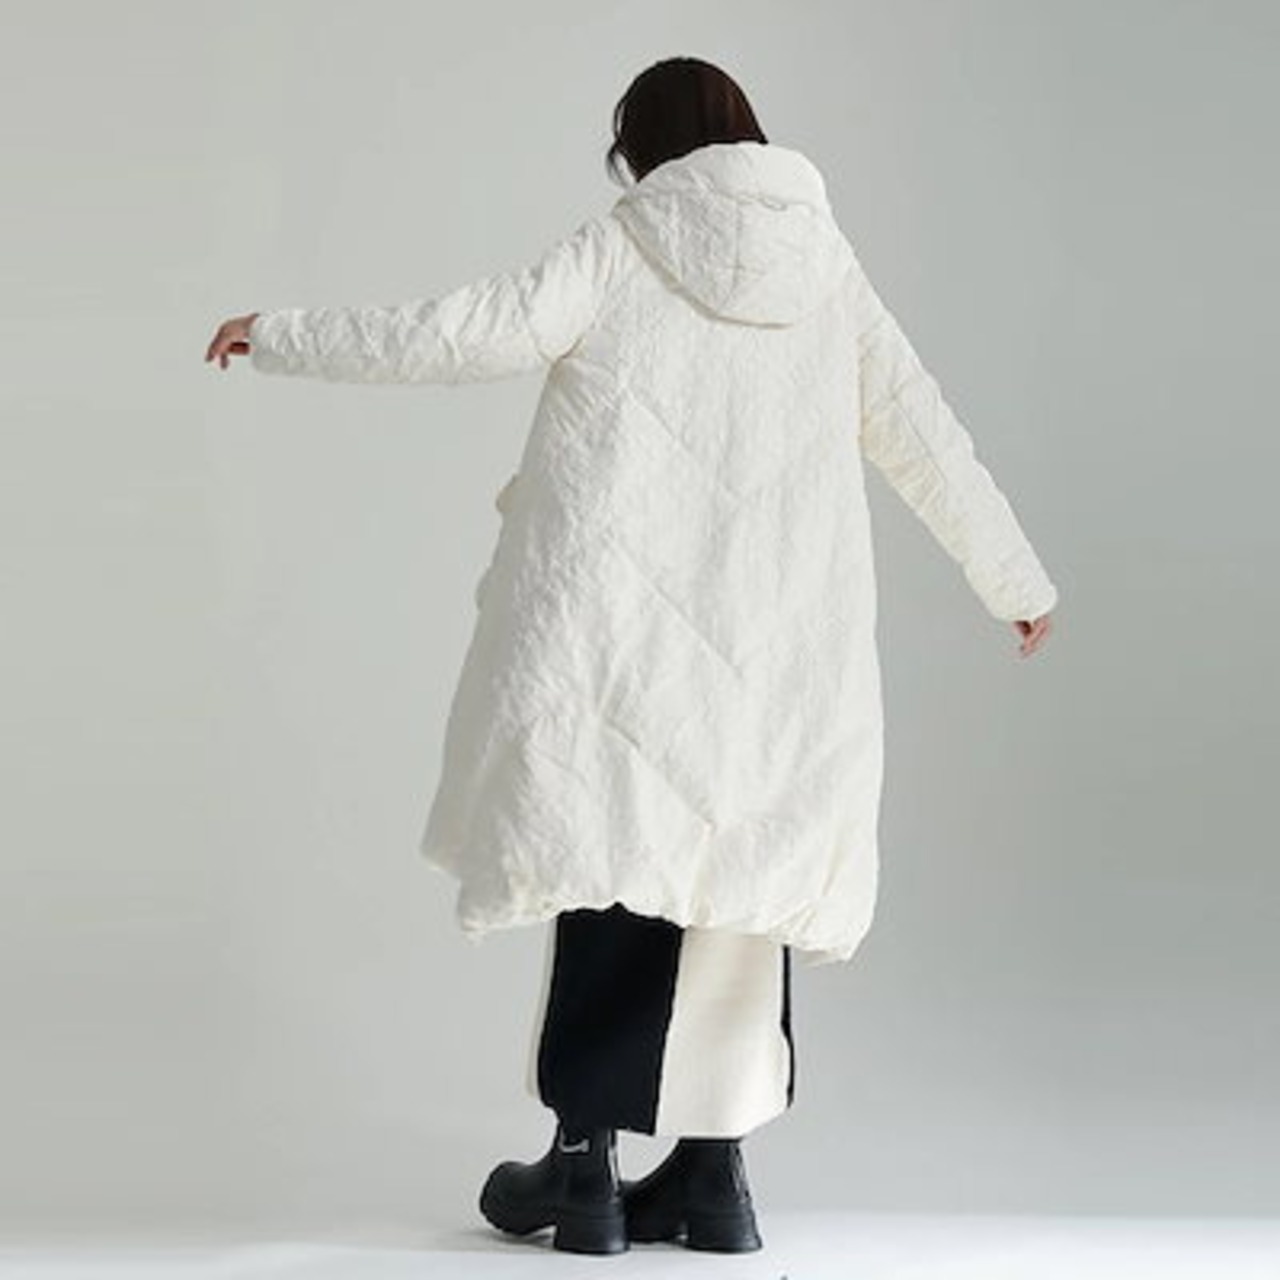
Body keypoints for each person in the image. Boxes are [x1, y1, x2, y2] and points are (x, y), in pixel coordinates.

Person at [206, 55, 1057, 1257]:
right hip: (777, 651)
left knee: (613, 857)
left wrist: (279, 334)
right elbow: (920, 429)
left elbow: (463, 329)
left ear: (643, 149)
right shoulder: (826, 268)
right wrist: (1014, 580)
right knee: (743, 885)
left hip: (623, 639)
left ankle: (586, 1170)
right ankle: (714, 1177)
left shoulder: (622, 244)